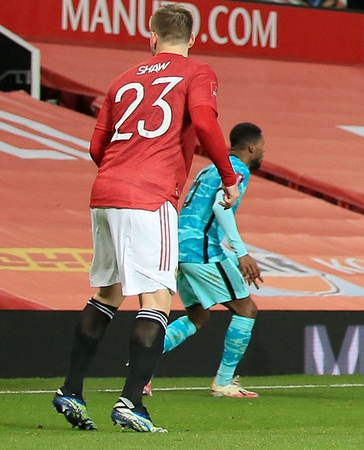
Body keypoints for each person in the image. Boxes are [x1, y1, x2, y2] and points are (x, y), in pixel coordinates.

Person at [52, 4, 240, 433]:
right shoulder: (198, 72)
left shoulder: (123, 79)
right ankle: (131, 403)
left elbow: (96, 147)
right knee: (156, 299)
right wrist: (228, 178)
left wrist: (121, 170)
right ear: (193, 39)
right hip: (150, 195)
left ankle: (71, 390)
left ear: (151, 37)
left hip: (106, 191)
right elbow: (205, 123)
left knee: (108, 293)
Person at [154, 122, 264, 398]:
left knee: (198, 316)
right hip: (200, 248)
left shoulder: (210, 168)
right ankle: (223, 382)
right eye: (262, 147)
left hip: (179, 247)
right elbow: (220, 206)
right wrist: (241, 253)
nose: (263, 152)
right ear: (252, 147)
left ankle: (140, 369)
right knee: (246, 310)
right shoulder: (237, 170)